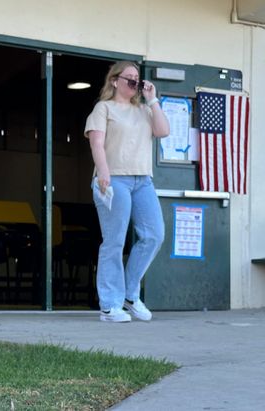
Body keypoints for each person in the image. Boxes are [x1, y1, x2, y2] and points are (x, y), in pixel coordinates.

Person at [84, 61, 170, 322]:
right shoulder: (104, 108)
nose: (135, 82)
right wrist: (104, 173)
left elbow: (163, 131)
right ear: (115, 81)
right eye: (129, 78)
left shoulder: (145, 110)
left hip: (143, 180)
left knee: (154, 234)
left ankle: (130, 294)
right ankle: (109, 305)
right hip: (114, 180)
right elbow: (97, 144)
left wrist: (153, 100)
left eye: (137, 78)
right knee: (115, 240)